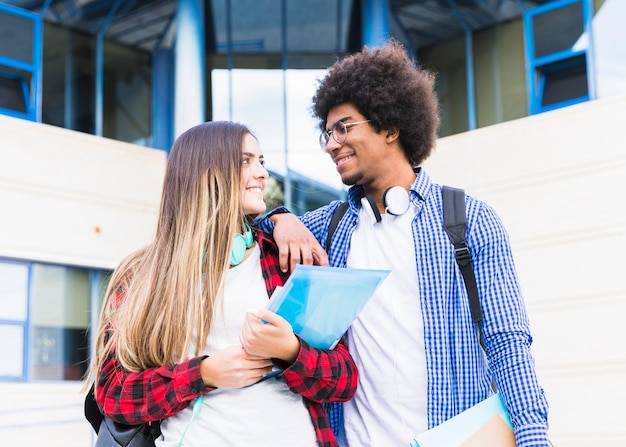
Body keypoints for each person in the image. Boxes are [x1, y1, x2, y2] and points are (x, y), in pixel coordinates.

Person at [258, 39, 550, 447]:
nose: (330, 144)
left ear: (391, 126)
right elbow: (248, 228)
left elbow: (507, 342)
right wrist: (280, 218)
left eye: (344, 127)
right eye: (326, 132)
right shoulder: (324, 229)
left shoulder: (469, 221)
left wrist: (533, 437)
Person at [84, 121, 357, 447]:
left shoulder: (283, 259)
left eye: (262, 162)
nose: (261, 173)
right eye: (246, 161)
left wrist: (290, 351)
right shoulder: (143, 276)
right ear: (205, 172)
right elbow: (115, 395)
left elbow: (342, 380)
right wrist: (203, 375)